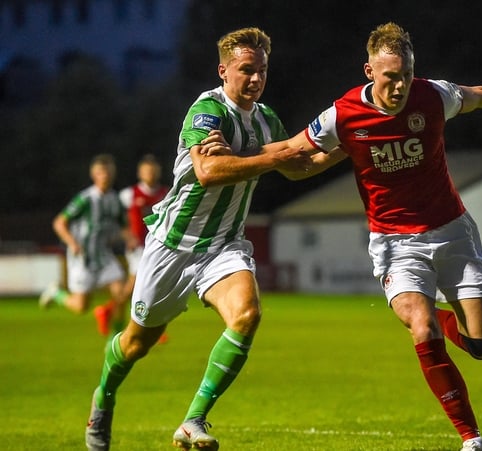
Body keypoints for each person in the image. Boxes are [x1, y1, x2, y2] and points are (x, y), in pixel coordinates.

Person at [276, 22, 482, 451]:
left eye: (406, 73)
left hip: (453, 231)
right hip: (394, 243)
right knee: (421, 328)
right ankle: (471, 438)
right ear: (369, 71)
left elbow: (479, 95)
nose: (400, 84)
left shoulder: (432, 95)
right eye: (390, 76)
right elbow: (293, 150)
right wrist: (244, 161)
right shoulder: (343, 114)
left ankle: (442, 316)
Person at [83, 27, 312, 451]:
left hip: (224, 244)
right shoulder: (207, 110)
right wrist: (272, 157)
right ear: (223, 70)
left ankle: (193, 420)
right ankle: (104, 396)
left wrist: (352, 141)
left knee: (247, 315)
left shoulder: (267, 120)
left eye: (262, 70)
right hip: (172, 247)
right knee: (136, 344)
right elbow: (208, 172)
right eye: (247, 70)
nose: (256, 79)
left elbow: (298, 163)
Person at [39, 154, 138, 342]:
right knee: (80, 307)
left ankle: (114, 339)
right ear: (94, 175)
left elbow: (123, 225)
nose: (105, 176)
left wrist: (130, 239)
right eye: (101, 173)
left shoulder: (114, 200)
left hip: (104, 255)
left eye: (108, 172)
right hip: (82, 257)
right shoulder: (85, 199)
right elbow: (59, 222)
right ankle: (56, 293)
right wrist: (72, 242)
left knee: (120, 295)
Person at [92, 154, 169, 340]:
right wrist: (126, 236)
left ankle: (108, 312)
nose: (150, 173)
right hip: (138, 249)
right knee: (143, 286)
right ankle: (146, 329)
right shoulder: (129, 195)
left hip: (158, 248)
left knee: (136, 290)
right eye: (146, 170)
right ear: (140, 173)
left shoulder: (166, 194)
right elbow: (115, 219)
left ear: (158, 172)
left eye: (153, 170)